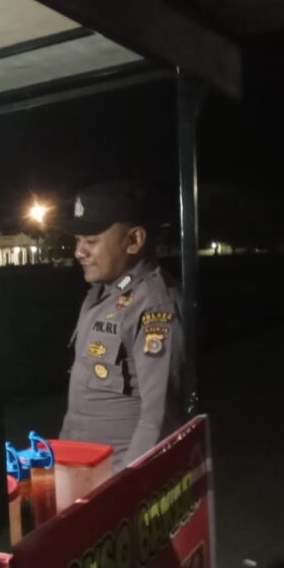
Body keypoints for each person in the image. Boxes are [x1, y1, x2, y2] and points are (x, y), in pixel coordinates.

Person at [59, 180, 186, 469]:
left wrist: (127, 486)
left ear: (134, 241)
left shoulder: (153, 304)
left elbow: (159, 419)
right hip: (80, 471)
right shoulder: (101, 295)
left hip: (115, 476)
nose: (79, 252)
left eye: (91, 241)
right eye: (78, 240)